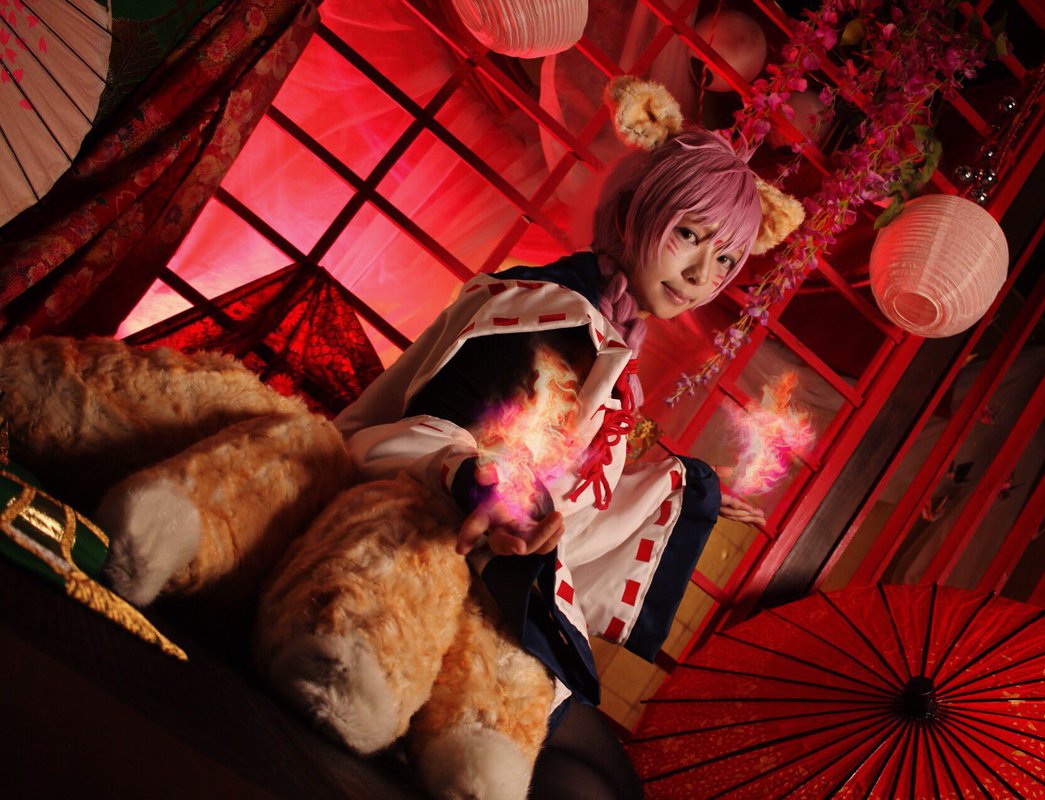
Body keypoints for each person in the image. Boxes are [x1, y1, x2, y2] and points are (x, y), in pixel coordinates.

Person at [326, 80, 802, 799]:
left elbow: (562, 492)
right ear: (638, 211)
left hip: (495, 580)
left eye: (728, 260)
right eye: (689, 235)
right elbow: (430, 435)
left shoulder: (602, 335)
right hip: (434, 568)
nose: (701, 275)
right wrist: (480, 482)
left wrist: (684, 490)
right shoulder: (555, 316)